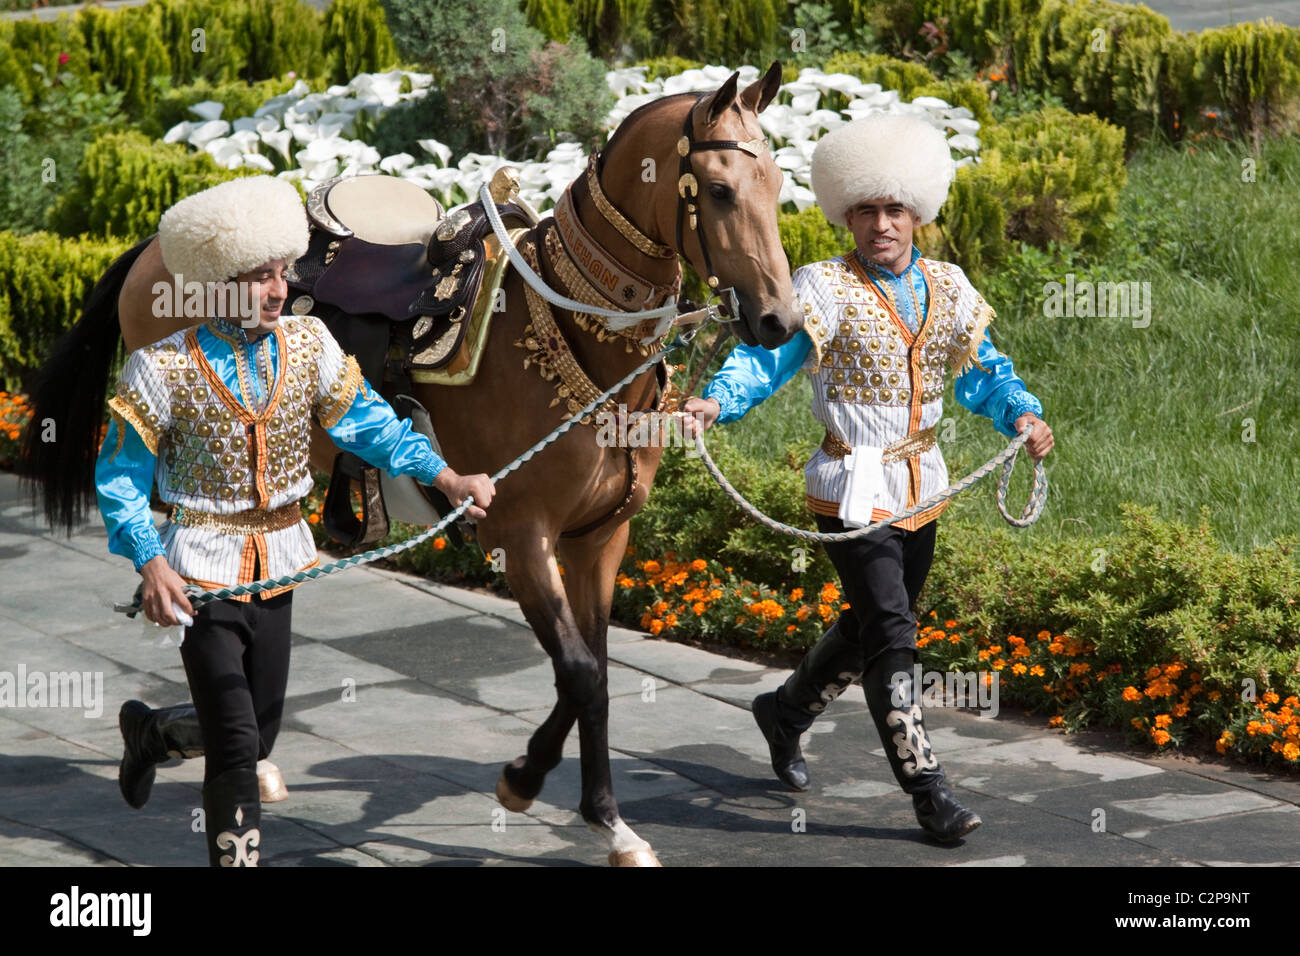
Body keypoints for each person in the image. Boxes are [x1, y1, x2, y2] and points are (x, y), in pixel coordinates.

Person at [95, 175, 496, 866]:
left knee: (261, 732)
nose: (279, 289)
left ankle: (154, 735)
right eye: (258, 277)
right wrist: (151, 563)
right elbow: (121, 480)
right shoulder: (160, 368)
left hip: (280, 563)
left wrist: (446, 475)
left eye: (283, 272)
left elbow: (371, 425)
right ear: (217, 283)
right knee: (238, 745)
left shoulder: (309, 345)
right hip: (200, 571)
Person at [682, 113, 1054, 843]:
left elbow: (984, 372)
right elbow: (768, 358)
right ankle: (929, 791)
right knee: (893, 632)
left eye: (894, 210)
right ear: (845, 214)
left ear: (917, 213)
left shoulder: (948, 287)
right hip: (850, 486)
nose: (881, 224)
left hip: (925, 485)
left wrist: (1022, 415)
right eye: (866, 211)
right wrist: (716, 401)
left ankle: (784, 713)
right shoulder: (821, 287)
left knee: (866, 624)